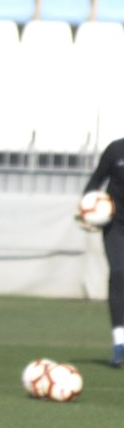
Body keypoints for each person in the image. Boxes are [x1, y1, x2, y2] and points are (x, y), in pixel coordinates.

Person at [79, 137, 124, 368]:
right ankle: (119, 343)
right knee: (118, 274)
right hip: (116, 226)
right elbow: (95, 182)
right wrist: (85, 211)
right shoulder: (116, 150)